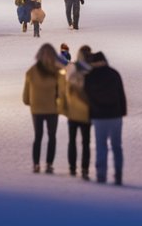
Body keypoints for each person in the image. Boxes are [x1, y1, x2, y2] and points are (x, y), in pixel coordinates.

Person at [84, 51, 127, 185]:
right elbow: (121, 94)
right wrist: (122, 112)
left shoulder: (90, 77)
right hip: (115, 115)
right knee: (116, 146)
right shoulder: (114, 74)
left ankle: (101, 174)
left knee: (101, 146)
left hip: (99, 116)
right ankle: (118, 173)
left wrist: (90, 113)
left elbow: (87, 96)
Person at [23, 43, 63, 174]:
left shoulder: (31, 71)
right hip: (52, 109)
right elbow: (62, 90)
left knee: (38, 136)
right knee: (52, 136)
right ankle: (49, 164)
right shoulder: (57, 72)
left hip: (37, 109)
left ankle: (36, 164)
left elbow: (26, 96)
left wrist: (30, 102)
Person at [62, 45, 93, 180]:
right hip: (86, 111)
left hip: (73, 110)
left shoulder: (72, 70)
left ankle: (72, 167)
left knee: (72, 141)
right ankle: (85, 168)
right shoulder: (92, 71)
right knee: (86, 142)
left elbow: (66, 87)